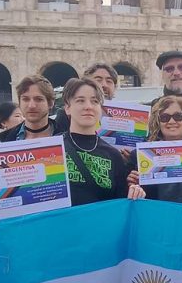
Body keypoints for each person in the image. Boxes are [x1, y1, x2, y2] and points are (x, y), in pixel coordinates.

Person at [60, 77, 144, 206]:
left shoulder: (113, 155)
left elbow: (120, 203)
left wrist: (135, 192)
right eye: (80, 101)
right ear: (67, 108)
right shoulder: (54, 149)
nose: (88, 106)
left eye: (94, 101)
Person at [54, 63, 118, 133]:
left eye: (109, 81)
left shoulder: (122, 115)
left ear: (115, 87)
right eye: (98, 80)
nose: (104, 85)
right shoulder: (66, 114)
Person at [0, 75, 57, 142]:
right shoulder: (1, 141)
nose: (31, 106)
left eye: (38, 99)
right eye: (26, 99)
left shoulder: (68, 140)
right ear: (19, 102)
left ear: (51, 103)